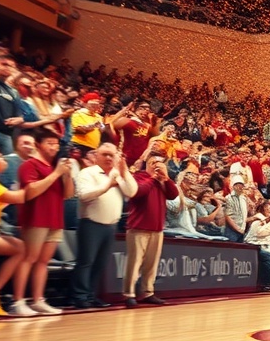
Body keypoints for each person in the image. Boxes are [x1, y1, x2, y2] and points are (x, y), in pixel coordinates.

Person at [0, 145, 71, 317]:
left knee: (20, 248)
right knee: (20, 249)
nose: (3, 159)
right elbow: (20, 197)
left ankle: (0, 295)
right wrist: (41, 181)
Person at [12, 129, 76, 316]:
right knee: (29, 258)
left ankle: (38, 300)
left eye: (56, 144)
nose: (54, 147)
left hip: (55, 218)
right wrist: (56, 173)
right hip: (35, 219)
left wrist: (66, 175)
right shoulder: (29, 165)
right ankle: (18, 301)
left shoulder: (55, 167)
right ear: (38, 144)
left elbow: (68, 194)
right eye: (50, 143)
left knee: (43, 261)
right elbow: (30, 192)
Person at [74, 143, 137, 308]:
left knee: (100, 263)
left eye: (112, 155)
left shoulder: (118, 175)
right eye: (104, 154)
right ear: (96, 156)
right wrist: (108, 184)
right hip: (90, 224)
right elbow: (84, 195)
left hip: (110, 226)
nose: (108, 158)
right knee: (86, 261)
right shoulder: (87, 173)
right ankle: (80, 296)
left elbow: (131, 192)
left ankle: (91, 295)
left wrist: (125, 171)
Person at [123, 154, 179, 307]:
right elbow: (139, 192)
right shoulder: (139, 176)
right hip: (138, 227)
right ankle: (129, 294)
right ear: (146, 164)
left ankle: (147, 292)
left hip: (157, 228)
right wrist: (153, 178)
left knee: (151, 264)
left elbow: (173, 195)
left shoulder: (162, 181)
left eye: (159, 163)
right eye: (153, 162)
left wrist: (166, 178)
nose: (156, 165)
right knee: (134, 263)